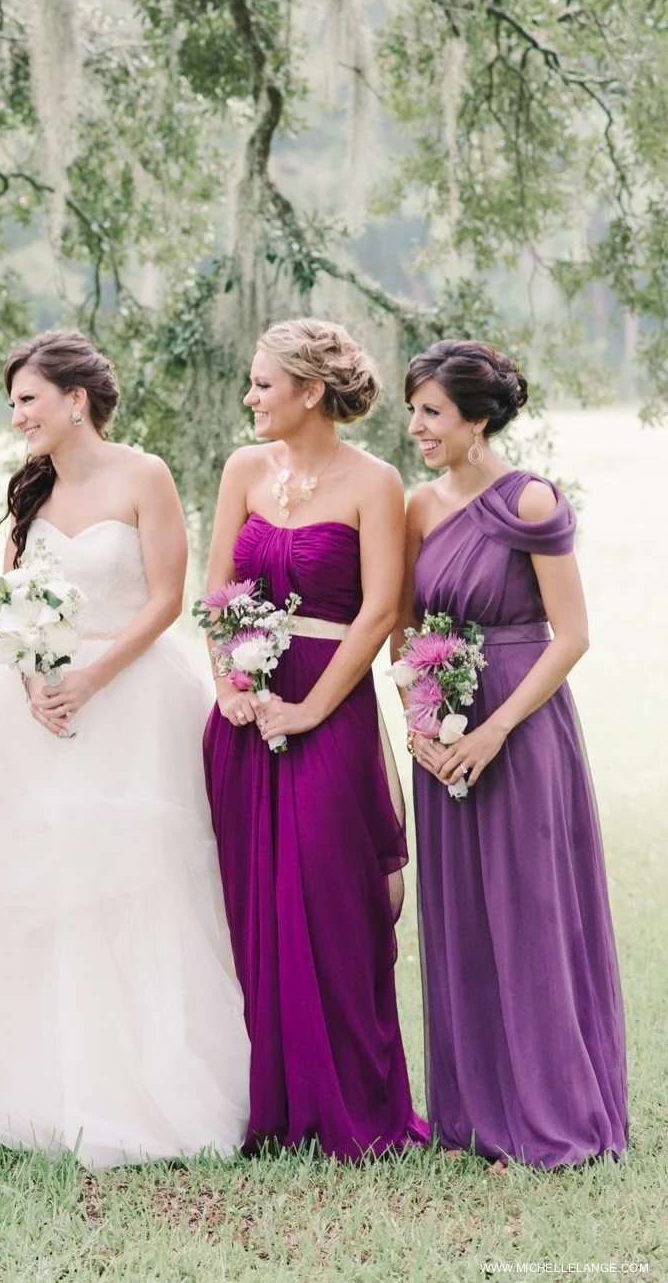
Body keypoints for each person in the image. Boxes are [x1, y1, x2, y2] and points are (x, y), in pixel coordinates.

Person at [0, 330, 250, 1166]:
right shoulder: (27, 491)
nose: (18, 416)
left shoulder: (144, 475)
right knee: (45, 888)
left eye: (29, 399)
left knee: (136, 884)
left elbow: (165, 597)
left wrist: (95, 674)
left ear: (77, 399)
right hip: (41, 714)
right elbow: (6, 603)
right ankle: (42, 1087)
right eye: (13, 404)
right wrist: (39, 675)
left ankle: (148, 1089)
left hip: (132, 701)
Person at [203, 317, 427, 1159]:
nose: (252, 397)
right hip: (243, 716)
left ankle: (353, 1106)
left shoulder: (376, 482)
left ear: (312, 391)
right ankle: (266, 1102)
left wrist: (309, 709)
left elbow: (377, 612)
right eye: (253, 382)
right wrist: (231, 683)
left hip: (329, 710)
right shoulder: (243, 468)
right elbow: (217, 587)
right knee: (250, 903)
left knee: (335, 904)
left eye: (265, 383)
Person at [400, 337, 627, 1167]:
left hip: (522, 730)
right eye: (413, 411)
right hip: (444, 730)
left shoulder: (530, 501)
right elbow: (404, 624)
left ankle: (554, 1118)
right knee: (459, 913)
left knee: (529, 912)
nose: (417, 427)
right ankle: (473, 1116)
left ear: (478, 417)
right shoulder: (419, 507)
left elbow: (573, 636)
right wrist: (419, 720)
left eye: (432, 412)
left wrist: (496, 730)